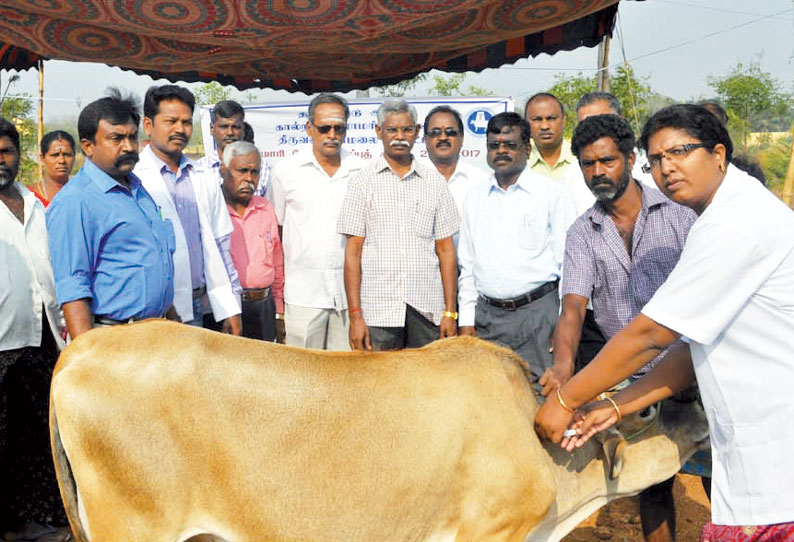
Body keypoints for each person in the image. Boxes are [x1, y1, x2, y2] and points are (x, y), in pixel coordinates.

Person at [535, 104, 794, 542]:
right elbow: (689, 347)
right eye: (657, 158)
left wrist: (566, 400)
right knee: (658, 489)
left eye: (680, 152)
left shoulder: (727, 224)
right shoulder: (590, 230)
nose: (667, 168)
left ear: (718, 153)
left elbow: (655, 334)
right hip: (720, 408)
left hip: (772, 448)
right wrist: (614, 405)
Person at [540, 114, 697, 542]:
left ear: (630, 158)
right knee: (651, 482)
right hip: (633, 377)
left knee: (717, 472)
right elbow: (572, 307)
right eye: (588, 164)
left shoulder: (681, 215)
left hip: (694, 366)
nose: (597, 173)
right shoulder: (582, 233)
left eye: (607, 161)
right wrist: (564, 367)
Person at [457, 112, 576, 393]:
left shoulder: (551, 194)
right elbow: (468, 264)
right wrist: (466, 321)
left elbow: (569, 265)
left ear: (527, 148)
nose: (501, 151)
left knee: (541, 397)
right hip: (487, 318)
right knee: (492, 398)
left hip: (538, 317)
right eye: (494, 145)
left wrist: (562, 326)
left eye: (510, 144)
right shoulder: (475, 196)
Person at [47, 89, 176, 339]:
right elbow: (73, 286)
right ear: (88, 146)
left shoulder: (138, 190)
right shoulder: (77, 201)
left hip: (158, 334)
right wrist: (88, 359)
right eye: (116, 138)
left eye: (132, 137)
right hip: (114, 340)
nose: (128, 146)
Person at [338, 98, 459, 351]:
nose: (400, 136)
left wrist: (450, 312)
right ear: (379, 132)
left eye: (406, 130)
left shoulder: (433, 181)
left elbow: (446, 250)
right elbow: (353, 253)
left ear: (416, 132)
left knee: (426, 387)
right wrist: (355, 316)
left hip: (427, 310)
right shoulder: (362, 182)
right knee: (378, 387)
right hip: (378, 311)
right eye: (392, 130)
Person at [0, 117, 70, 542]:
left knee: (42, 434)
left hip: (45, 335)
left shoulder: (35, 204)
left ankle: (36, 520)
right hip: (2, 340)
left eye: (5, 151)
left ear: (18, 154)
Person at [134, 85, 242, 334]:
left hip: (206, 305)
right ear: (148, 125)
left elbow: (222, 245)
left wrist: (231, 305)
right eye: (170, 121)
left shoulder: (203, 176)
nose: (180, 129)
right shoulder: (135, 178)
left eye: (186, 122)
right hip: (159, 312)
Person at [270, 93, 364, 350]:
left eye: (339, 128)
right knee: (301, 378)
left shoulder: (361, 170)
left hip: (349, 298)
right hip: (303, 296)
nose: (331, 134)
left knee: (345, 377)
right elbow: (276, 233)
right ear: (309, 128)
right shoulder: (286, 172)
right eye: (324, 128)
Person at [221, 141, 285, 342]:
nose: (249, 179)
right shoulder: (214, 210)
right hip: (227, 309)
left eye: (254, 172)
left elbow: (277, 263)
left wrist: (279, 312)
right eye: (242, 171)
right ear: (224, 170)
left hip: (263, 307)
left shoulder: (265, 209)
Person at [422, 105, 489, 216]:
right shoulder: (411, 179)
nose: (443, 138)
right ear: (426, 139)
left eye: (450, 132)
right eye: (435, 132)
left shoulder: (481, 181)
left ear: (461, 137)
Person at [198, 100, 271, 197]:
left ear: (243, 129)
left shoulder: (263, 169)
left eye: (235, 127)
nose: (230, 133)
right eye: (224, 127)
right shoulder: (199, 170)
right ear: (212, 129)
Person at [525, 92, 576, 180]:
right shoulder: (519, 165)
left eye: (551, 118)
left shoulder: (579, 160)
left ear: (563, 121)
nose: (545, 126)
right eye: (537, 119)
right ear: (526, 124)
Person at [28, 130, 76, 207]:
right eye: (55, 155)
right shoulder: (28, 196)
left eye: (67, 155)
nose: (61, 161)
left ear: (74, 157)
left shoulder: (83, 194)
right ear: (42, 158)